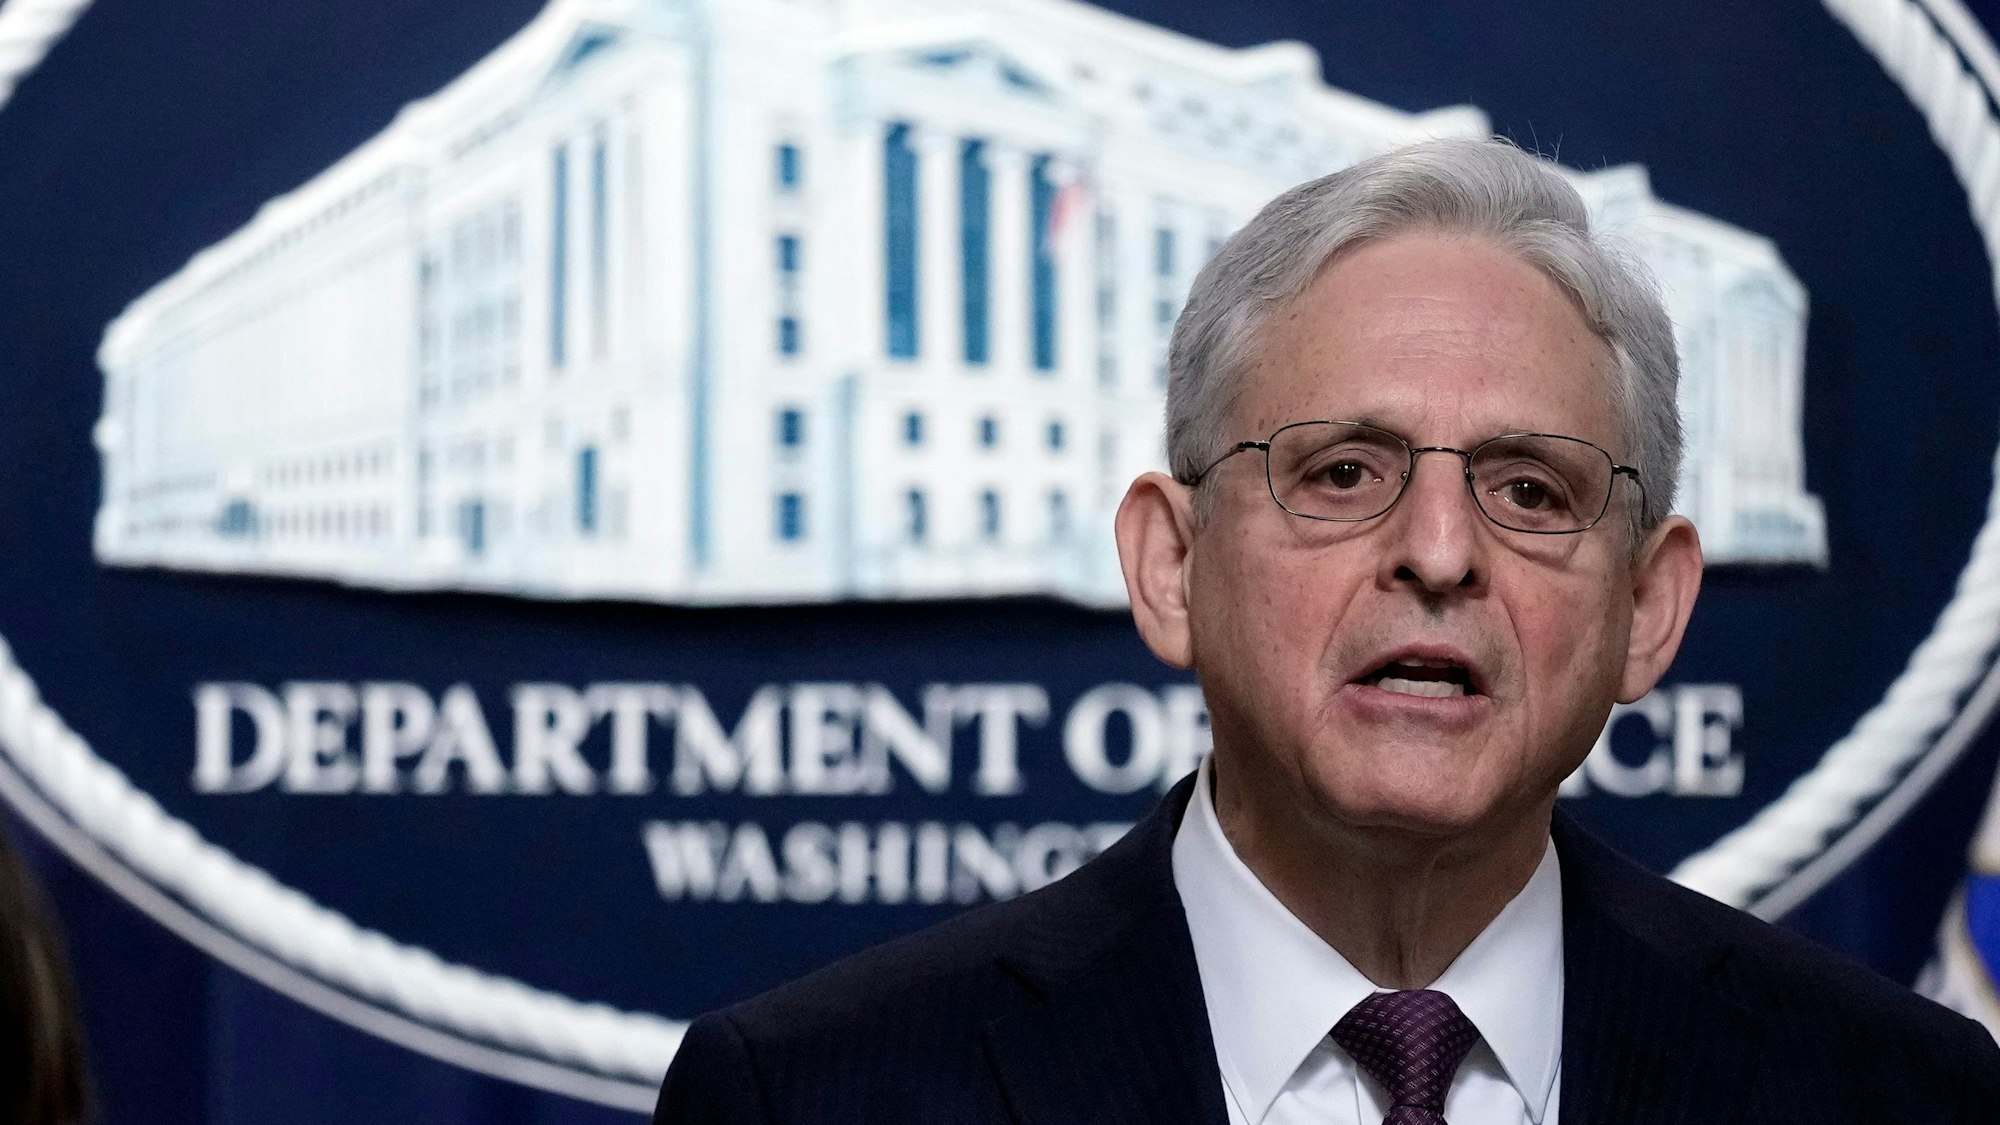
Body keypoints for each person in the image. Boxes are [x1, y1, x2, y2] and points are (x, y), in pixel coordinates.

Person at [652, 137, 2000, 1123]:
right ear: (1172, 565)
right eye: (1343, 471)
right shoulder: (808, 1101)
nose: (1437, 552)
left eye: (1532, 489)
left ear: (1648, 607)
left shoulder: (1904, 1100)